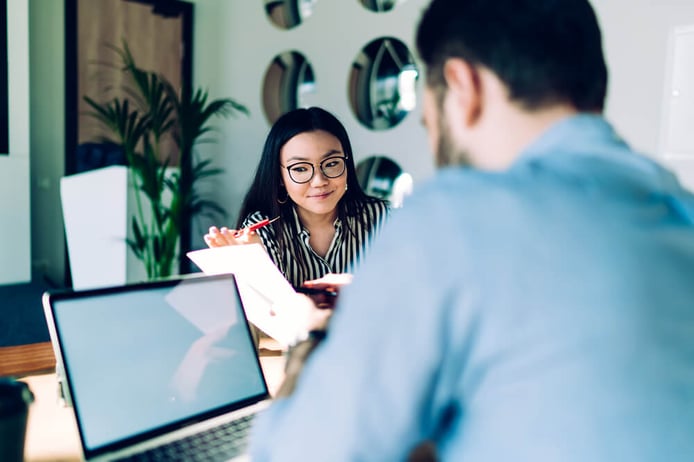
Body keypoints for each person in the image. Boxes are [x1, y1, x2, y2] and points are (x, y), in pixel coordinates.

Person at [248, 0, 694, 461]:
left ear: (463, 85)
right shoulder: (681, 211)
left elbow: (303, 453)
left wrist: (313, 342)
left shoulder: (451, 219)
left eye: (429, 118)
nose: (433, 136)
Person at [204, 107, 389, 292]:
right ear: (280, 177)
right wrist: (252, 267)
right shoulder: (262, 233)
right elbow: (267, 315)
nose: (319, 181)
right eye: (300, 169)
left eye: (332, 164)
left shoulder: (382, 219)